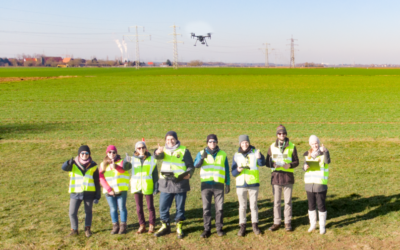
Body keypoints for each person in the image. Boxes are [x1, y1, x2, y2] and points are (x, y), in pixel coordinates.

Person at [153, 131, 195, 239]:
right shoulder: (163, 150)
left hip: (180, 183)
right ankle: (165, 226)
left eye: (172, 139)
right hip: (165, 183)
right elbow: (158, 156)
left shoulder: (184, 150)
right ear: (165, 140)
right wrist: (157, 152)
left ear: (176, 139)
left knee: (180, 207)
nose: (170, 141)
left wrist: (189, 174)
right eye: (168, 139)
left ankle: (179, 227)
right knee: (163, 206)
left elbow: (191, 165)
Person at [194, 134, 231, 238]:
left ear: (217, 142)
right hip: (206, 185)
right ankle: (207, 229)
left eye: (214, 141)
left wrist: (227, 183)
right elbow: (196, 165)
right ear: (207, 143)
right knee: (206, 208)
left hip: (219, 185)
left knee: (219, 208)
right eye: (210, 141)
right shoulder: (201, 153)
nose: (212, 143)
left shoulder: (223, 154)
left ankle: (219, 228)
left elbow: (226, 169)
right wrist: (201, 159)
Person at [61, 145, 101, 237]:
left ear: (89, 154)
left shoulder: (93, 165)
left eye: (86, 153)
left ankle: (87, 229)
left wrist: (97, 195)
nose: (84, 155)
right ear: (79, 154)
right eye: (82, 153)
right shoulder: (73, 164)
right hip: (76, 192)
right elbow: (63, 168)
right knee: (72, 212)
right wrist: (68, 163)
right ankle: (74, 230)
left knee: (88, 212)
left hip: (89, 193)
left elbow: (96, 181)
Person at [266, 125, 299, 232]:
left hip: (288, 178)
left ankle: (287, 222)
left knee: (288, 202)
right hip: (276, 178)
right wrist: (273, 164)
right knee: (276, 202)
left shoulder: (292, 146)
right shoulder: (271, 147)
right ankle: (276, 222)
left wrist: (289, 165)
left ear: (286, 134)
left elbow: (296, 161)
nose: (282, 135)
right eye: (279, 133)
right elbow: (267, 162)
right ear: (277, 135)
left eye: (283, 133)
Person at [231, 135, 265, 237]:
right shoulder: (236, 155)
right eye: (242, 143)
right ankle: (243, 226)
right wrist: (238, 170)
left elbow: (262, 163)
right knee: (242, 207)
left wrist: (260, 157)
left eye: (246, 142)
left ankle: (255, 225)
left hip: (253, 184)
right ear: (240, 144)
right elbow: (233, 172)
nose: (244, 144)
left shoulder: (255, 152)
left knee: (253, 205)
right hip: (241, 185)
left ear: (249, 143)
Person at [123, 141, 158, 234]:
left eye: (143, 147)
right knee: (139, 208)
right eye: (139, 148)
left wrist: (156, 186)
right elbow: (126, 167)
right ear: (136, 149)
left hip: (148, 185)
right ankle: (142, 225)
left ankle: (151, 225)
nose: (141, 149)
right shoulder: (132, 159)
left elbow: (155, 174)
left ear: (145, 148)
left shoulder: (151, 159)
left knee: (150, 207)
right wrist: (126, 161)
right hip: (137, 185)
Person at [303, 135, 330, 234]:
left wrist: (325, 152)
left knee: (321, 205)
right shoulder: (307, 154)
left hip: (320, 184)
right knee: (311, 206)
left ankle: (322, 226)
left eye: (316, 143)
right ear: (310, 144)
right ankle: (313, 225)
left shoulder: (323, 152)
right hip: (309, 184)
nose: (315, 145)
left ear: (318, 143)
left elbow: (327, 161)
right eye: (313, 144)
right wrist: (305, 167)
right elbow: (304, 166)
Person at [99, 145, 129, 235]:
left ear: (116, 153)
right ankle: (115, 225)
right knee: (113, 209)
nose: (112, 154)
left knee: (122, 208)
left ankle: (123, 225)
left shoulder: (121, 162)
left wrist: (116, 167)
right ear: (107, 153)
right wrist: (108, 189)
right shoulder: (102, 164)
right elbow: (101, 178)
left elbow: (124, 170)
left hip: (121, 189)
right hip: (109, 191)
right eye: (110, 152)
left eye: (114, 152)